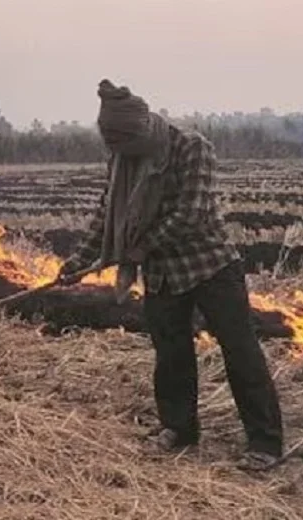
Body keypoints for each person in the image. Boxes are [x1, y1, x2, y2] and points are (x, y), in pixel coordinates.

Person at [58, 79, 284, 472]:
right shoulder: (123, 160)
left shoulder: (191, 147)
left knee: (240, 352)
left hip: (210, 266)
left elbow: (191, 212)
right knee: (171, 355)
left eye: (123, 144)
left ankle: (265, 441)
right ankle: (179, 428)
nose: (119, 152)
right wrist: (78, 261)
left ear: (141, 130)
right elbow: (106, 215)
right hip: (162, 275)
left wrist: (142, 247)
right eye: (113, 146)